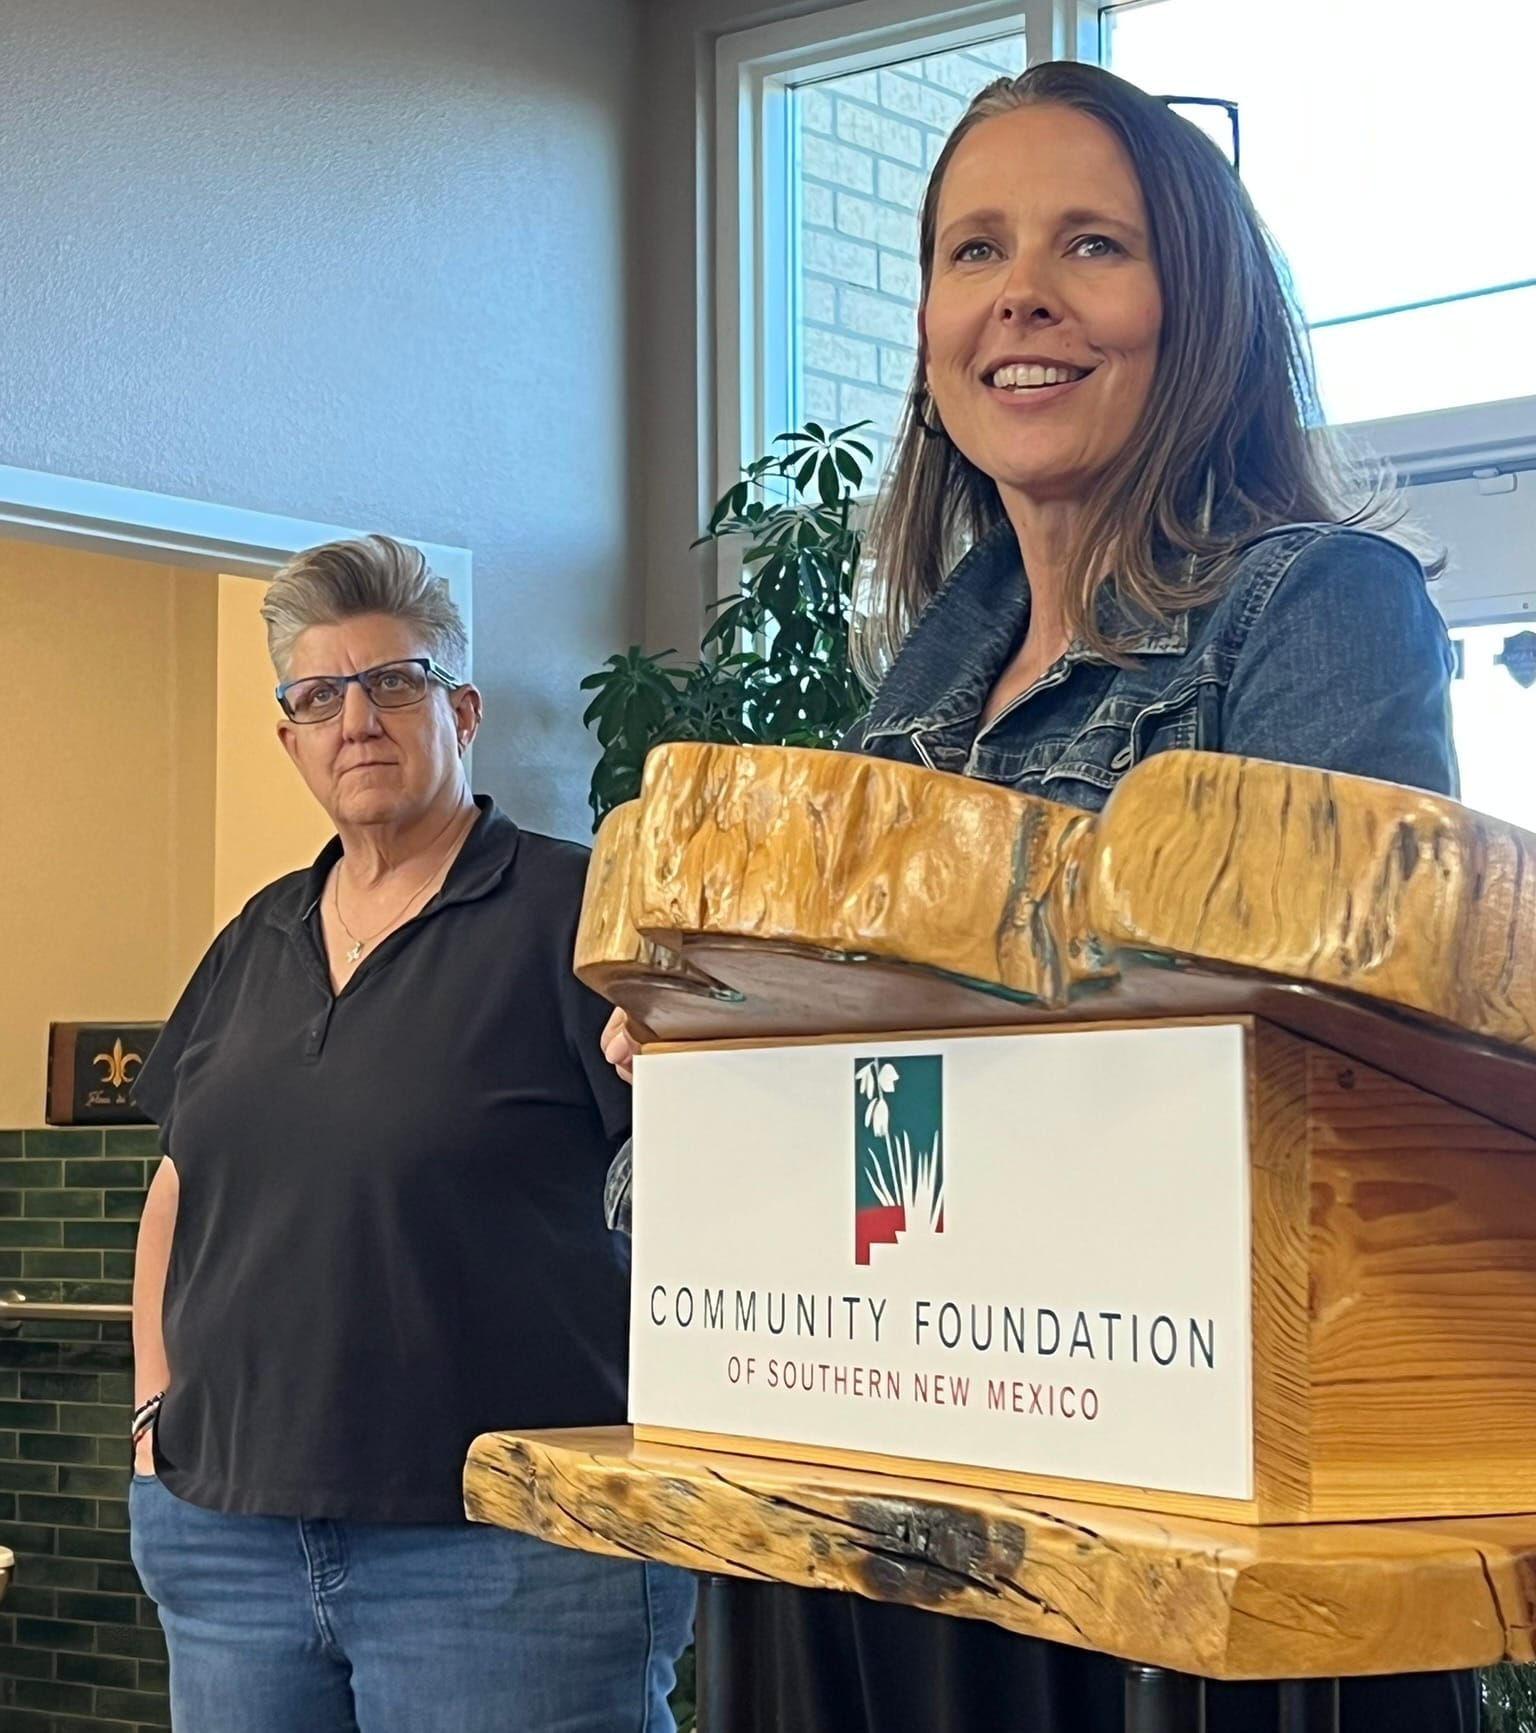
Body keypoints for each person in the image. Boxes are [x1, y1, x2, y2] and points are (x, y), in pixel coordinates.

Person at [600, 60, 1474, 1733]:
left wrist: (839, 1071)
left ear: (1196, 305)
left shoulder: (1316, 607)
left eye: (1093, 244)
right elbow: (751, 1183)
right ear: (930, 329)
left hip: (1181, 1563)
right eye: (973, 250)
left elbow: (1338, 1124)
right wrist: (716, 1084)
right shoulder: (910, 699)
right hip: (885, 1500)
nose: (1021, 294)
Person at [129, 535, 693, 1733]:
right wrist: (150, 1421)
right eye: (319, 696)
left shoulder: (581, 912)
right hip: (231, 1541)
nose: (358, 719)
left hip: (505, 1552)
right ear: (290, 737)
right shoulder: (253, 935)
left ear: (463, 709)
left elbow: (711, 1176)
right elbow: (179, 1184)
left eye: (395, 681)